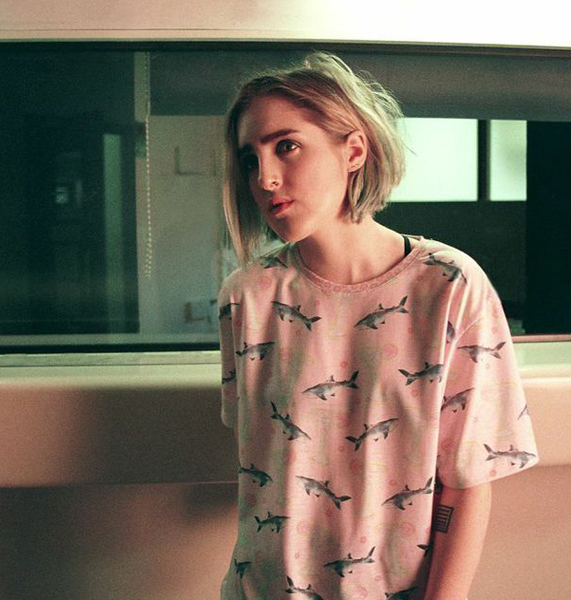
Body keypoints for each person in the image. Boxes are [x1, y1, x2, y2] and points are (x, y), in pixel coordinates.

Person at [217, 52, 539, 600]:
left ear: (354, 151)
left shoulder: (449, 285)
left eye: (286, 146)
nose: (265, 178)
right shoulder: (246, 297)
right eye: (251, 159)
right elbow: (265, 460)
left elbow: (467, 481)